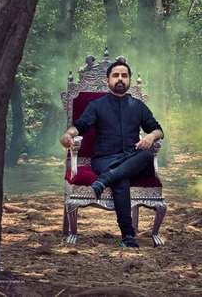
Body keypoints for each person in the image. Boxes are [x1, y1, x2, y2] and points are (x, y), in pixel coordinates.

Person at [60, 60, 164, 248]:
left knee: (147, 155)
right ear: (108, 79)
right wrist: (68, 135)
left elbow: (158, 130)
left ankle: (104, 180)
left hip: (132, 158)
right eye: (116, 75)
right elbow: (81, 126)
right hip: (104, 160)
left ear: (129, 80)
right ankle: (128, 237)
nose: (120, 79)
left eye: (124, 75)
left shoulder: (138, 105)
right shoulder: (96, 105)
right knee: (121, 179)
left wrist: (150, 136)